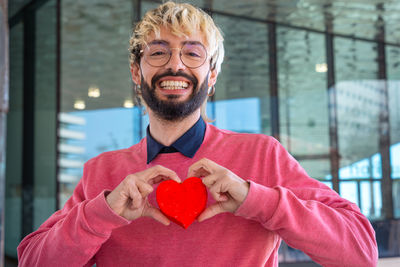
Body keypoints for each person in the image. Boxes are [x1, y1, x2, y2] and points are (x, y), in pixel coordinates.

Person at [18, 2, 378, 266]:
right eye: (158, 52)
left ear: (213, 75)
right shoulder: (101, 172)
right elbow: (32, 260)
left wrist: (259, 201)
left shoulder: (262, 155)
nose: (175, 64)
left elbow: (360, 252)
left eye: (193, 53)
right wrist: (103, 212)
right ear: (135, 72)